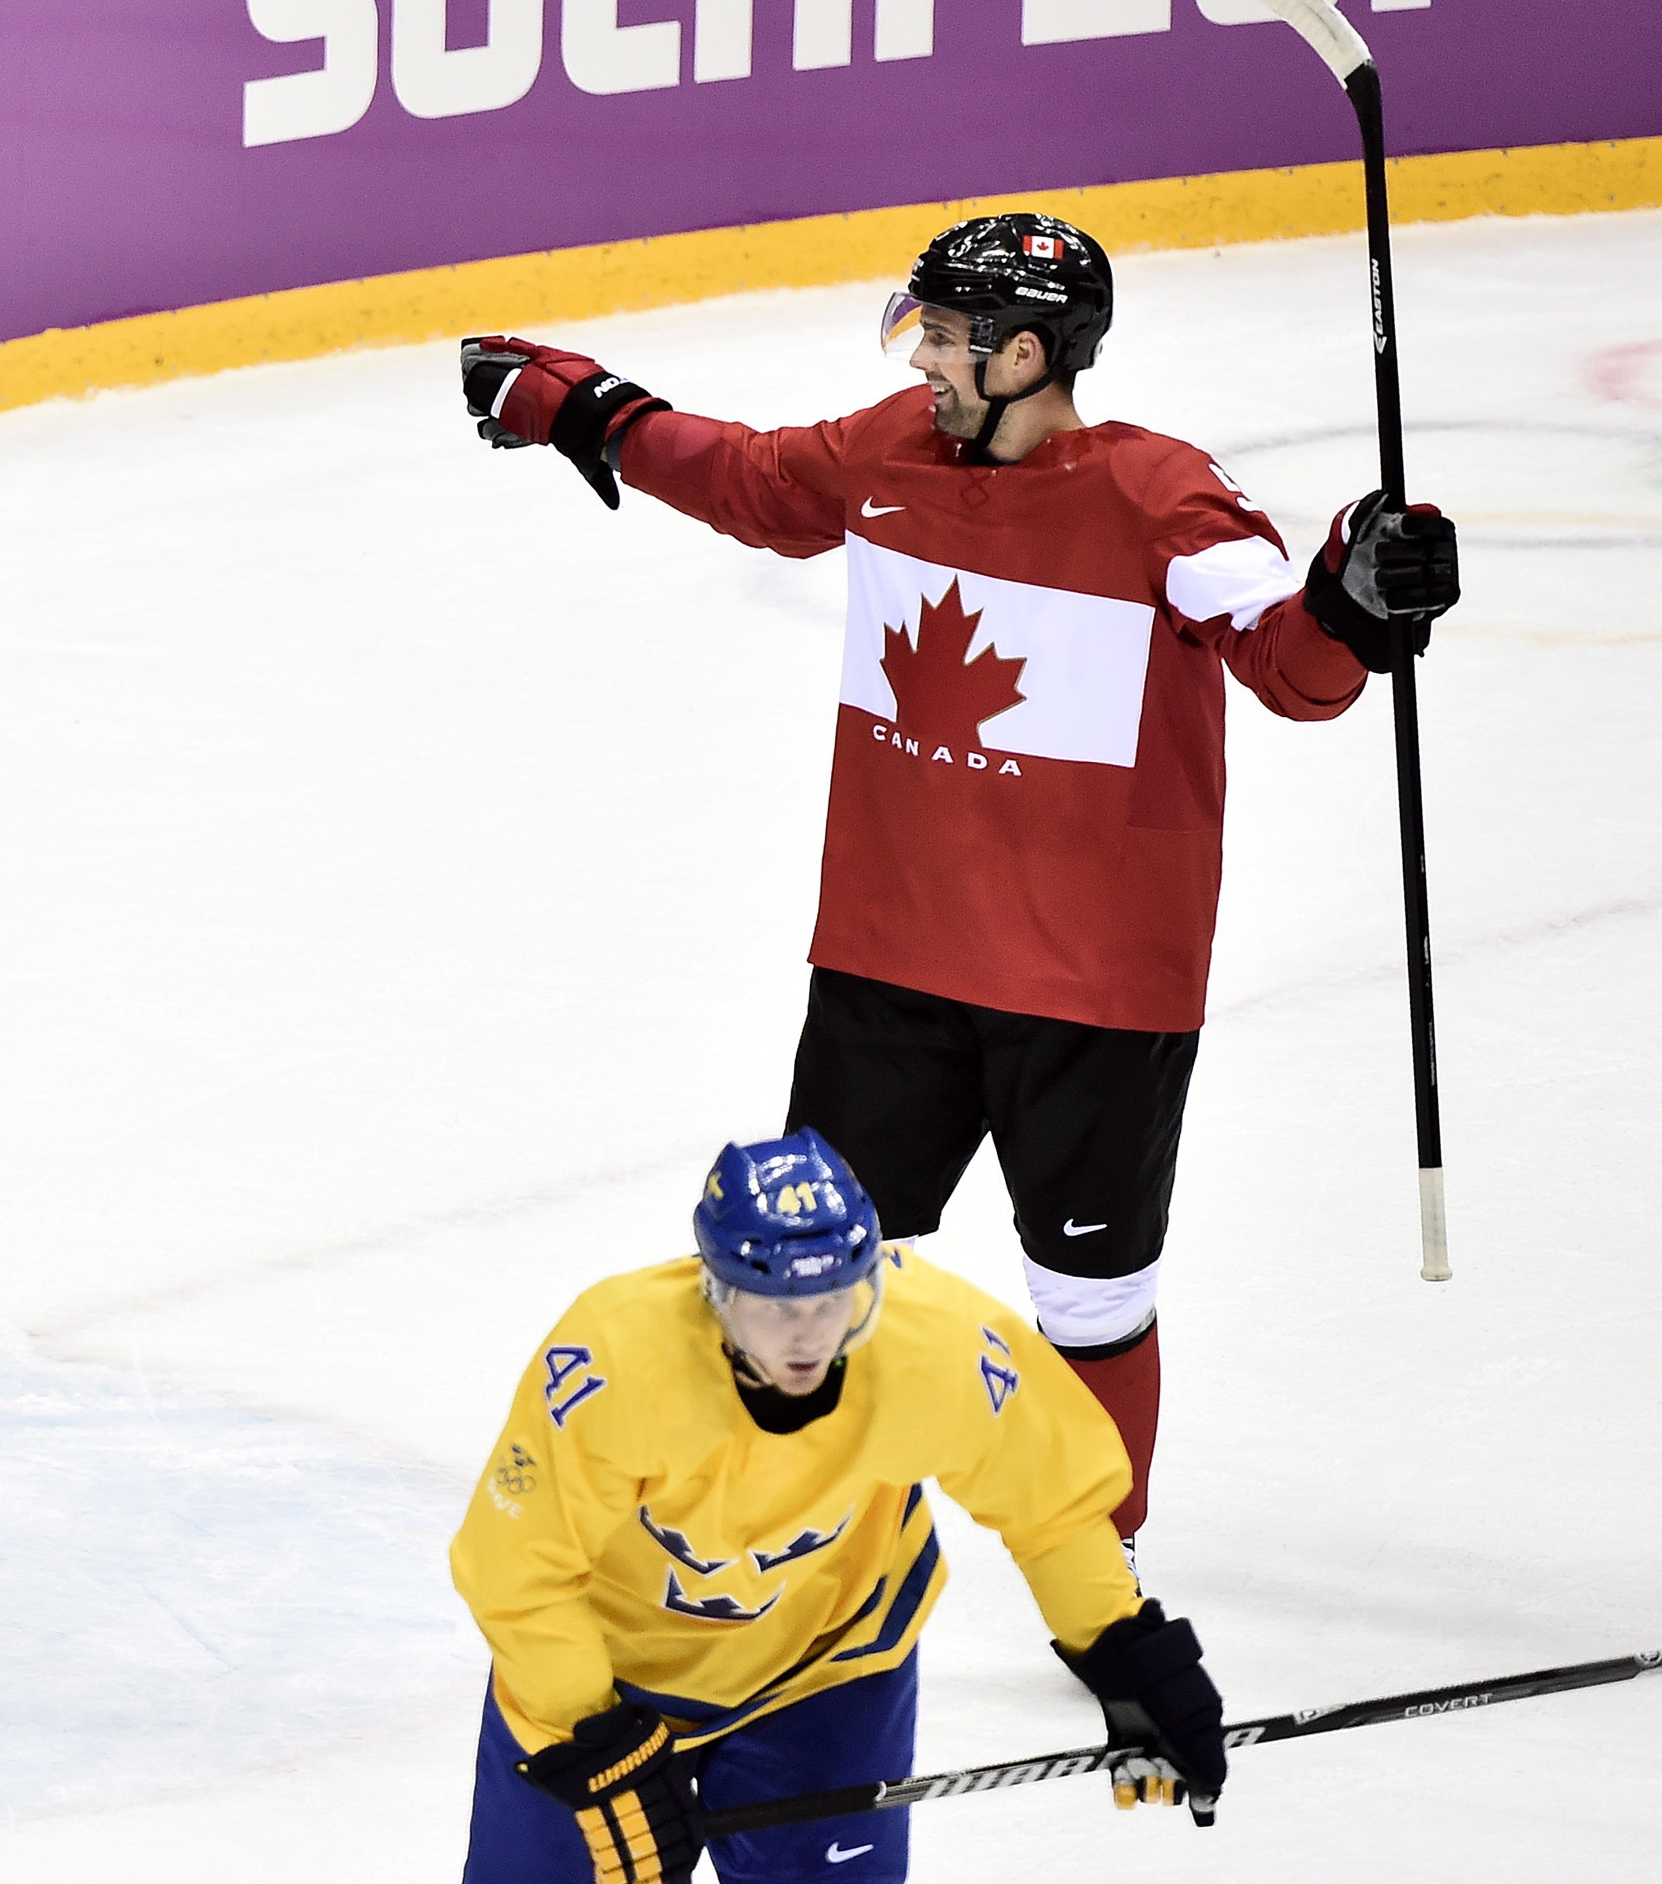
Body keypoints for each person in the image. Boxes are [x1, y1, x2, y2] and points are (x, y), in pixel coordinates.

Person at [458, 218, 1461, 1548]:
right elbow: (752, 481)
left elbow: (1294, 665)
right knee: (817, 1271)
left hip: (1098, 989)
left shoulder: (1160, 496)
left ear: (1025, 354)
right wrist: (587, 409)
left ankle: (1095, 1576)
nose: (919, 354)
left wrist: (1360, 593)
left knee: (1091, 1297)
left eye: (940, 334)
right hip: (890, 962)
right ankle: (805, 1538)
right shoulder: (890, 452)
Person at [451, 1131, 1229, 1883]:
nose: (808, 1335)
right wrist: (592, 1733)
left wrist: (1123, 1649)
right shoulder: (614, 1364)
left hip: (826, 1664)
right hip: (608, 1678)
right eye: (776, 1306)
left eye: (832, 1301)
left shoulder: (936, 1343)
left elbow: (1048, 1504)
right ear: (715, 1291)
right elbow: (516, 1569)